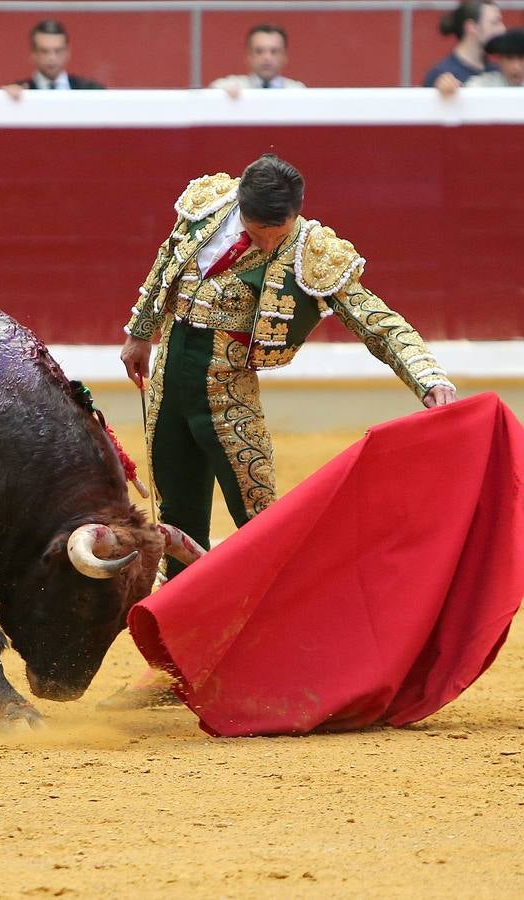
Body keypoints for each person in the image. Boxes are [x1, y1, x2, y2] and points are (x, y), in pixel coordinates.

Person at [103, 155, 457, 710]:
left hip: (229, 394)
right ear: (240, 209)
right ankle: (174, 669)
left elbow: (377, 320)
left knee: (262, 526)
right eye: (257, 233)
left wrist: (428, 378)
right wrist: (140, 333)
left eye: (279, 233)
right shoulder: (205, 209)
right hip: (170, 381)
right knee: (175, 523)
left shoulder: (312, 252)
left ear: (297, 214)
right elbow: (166, 263)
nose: (268, 244)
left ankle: (285, 660)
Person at [4, 19, 104, 97]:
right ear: (33, 53)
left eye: (58, 51)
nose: (52, 58)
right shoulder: (19, 92)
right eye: (44, 51)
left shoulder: (90, 90)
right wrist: (6, 101)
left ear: (67, 52)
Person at [424, 1, 506, 91]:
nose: (502, 29)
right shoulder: (442, 76)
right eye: (495, 22)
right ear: (472, 27)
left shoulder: (497, 72)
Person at [209, 24, 305, 97]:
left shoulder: (298, 92)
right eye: (259, 51)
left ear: (284, 57)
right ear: (248, 56)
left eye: (274, 51)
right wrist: (222, 96)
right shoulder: (228, 87)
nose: (267, 57)